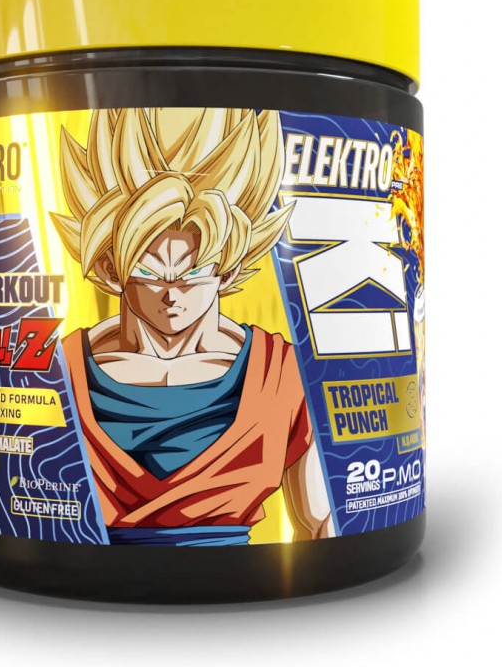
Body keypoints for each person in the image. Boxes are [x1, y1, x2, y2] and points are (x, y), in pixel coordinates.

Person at [51, 107, 334, 546]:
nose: (172, 294)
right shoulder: (59, 371)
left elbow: (322, 524)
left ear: (226, 269)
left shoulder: (283, 377)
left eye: (194, 273)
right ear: (111, 269)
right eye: (150, 273)